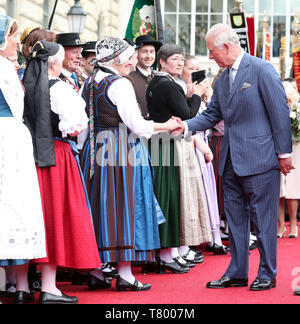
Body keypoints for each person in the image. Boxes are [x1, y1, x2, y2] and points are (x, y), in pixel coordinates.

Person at [173, 24, 293, 291]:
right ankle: (237, 272)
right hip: (229, 162)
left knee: (263, 222)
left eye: (212, 51)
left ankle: (267, 273)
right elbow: (212, 114)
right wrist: (185, 126)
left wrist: (284, 154)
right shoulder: (223, 78)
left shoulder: (262, 70)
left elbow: (279, 114)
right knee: (236, 221)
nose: (211, 56)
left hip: (261, 161)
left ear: (227, 46)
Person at [80, 37, 181, 291]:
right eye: (129, 57)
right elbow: (136, 125)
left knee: (99, 207)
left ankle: (98, 270)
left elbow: (83, 127)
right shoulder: (119, 83)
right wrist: (166, 125)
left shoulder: (90, 82)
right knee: (123, 207)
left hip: (95, 148)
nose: (133, 61)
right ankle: (125, 273)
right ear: (116, 59)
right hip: (120, 148)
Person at [22, 40, 101, 304]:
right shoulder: (61, 89)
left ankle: (21, 287)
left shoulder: (25, 86)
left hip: (26, 157)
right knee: (54, 218)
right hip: (56, 156)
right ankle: (49, 287)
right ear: (54, 63)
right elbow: (77, 126)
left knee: (32, 220)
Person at [146, 43, 212, 272]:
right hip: (168, 144)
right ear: (162, 62)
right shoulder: (167, 85)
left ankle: (172, 251)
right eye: (175, 59)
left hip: (162, 143)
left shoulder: (158, 82)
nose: (180, 63)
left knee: (171, 196)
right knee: (169, 196)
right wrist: (197, 96)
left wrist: (190, 95)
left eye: (181, 59)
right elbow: (187, 115)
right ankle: (166, 253)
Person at [0, 14, 46, 304]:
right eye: (13, 35)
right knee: (13, 203)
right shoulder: (4, 69)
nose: (18, 40)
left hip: (11, 139)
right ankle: (19, 287)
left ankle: (15, 287)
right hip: (9, 141)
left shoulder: (7, 67)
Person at [180, 54, 228, 256]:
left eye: (197, 68)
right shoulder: (183, 91)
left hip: (203, 143)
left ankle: (215, 237)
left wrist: (206, 95)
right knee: (192, 194)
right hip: (189, 143)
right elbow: (188, 116)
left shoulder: (201, 93)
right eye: (191, 68)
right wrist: (195, 95)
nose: (195, 72)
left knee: (209, 193)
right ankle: (191, 242)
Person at [278, 80, 300, 238]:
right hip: (277, 148)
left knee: (292, 187)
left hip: (295, 148)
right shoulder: (276, 106)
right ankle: (280, 226)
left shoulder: (297, 108)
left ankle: (293, 224)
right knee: (278, 189)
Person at [126, 35, 162, 118]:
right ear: (136, 54)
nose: (149, 56)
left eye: (152, 52)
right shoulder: (129, 78)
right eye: (144, 52)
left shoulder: (159, 78)